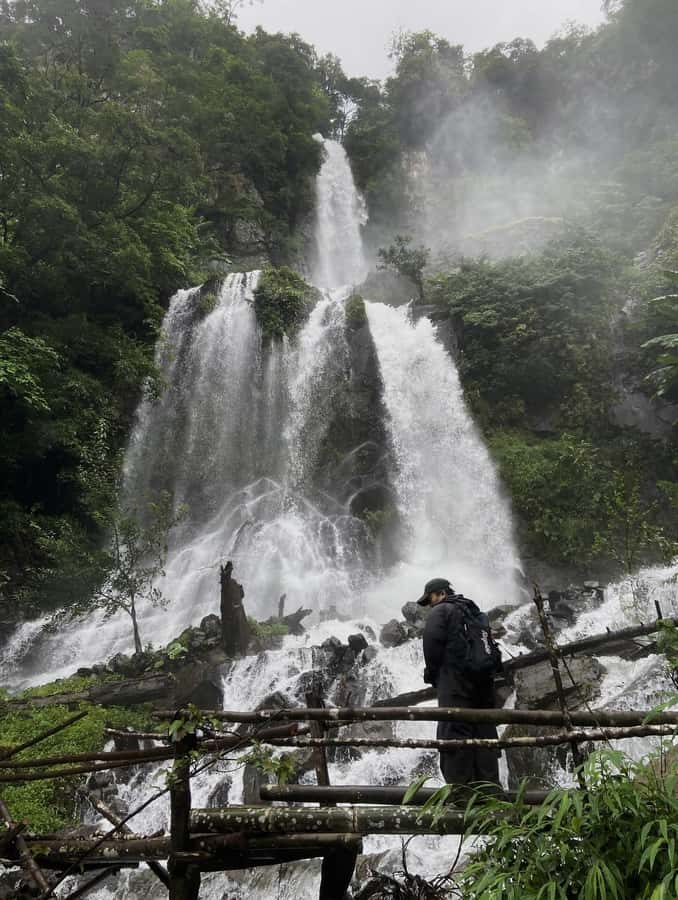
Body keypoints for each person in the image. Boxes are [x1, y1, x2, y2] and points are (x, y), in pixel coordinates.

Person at [419, 577, 501, 786]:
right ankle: (490, 793)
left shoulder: (441, 611)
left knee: (454, 735)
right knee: (484, 736)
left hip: (456, 687)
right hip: (482, 688)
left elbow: (431, 648)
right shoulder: (474, 613)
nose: (430, 605)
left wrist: (433, 675)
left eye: (430, 599)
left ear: (441, 594)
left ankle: (461, 797)